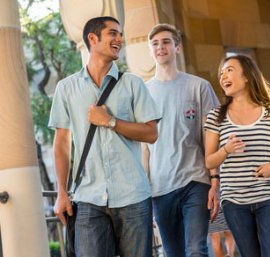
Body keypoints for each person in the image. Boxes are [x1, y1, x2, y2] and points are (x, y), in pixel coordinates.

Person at [49, 16, 161, 257]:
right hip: (88, 198)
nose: (119, 39)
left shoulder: (133, 84)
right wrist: (60, 193)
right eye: (113, 33)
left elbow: (151, 133)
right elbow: (61, 146)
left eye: (120, 34)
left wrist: (110, 122)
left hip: (133, 196)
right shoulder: (66, 88)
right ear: (93, 38)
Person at [142, 23, 220, 257]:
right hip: (159, 188)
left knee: (196, 249)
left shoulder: (199, 87)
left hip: (195, 181)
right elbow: (144, 149)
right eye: (155, 44)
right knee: (172, 253)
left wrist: (215, 179)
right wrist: (144, 192)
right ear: (151, 50)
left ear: (177, 47)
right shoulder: (143, 93)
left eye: (166, 42)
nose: (160, 47)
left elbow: (211, 137)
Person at [204, 54, 270, 257]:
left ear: (247, 76)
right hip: (234, 202)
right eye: (221, 72)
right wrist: (226, 150)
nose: (223, 75)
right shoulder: (216, 116)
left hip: (268, 197)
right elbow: (209, 160)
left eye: (229, 70)